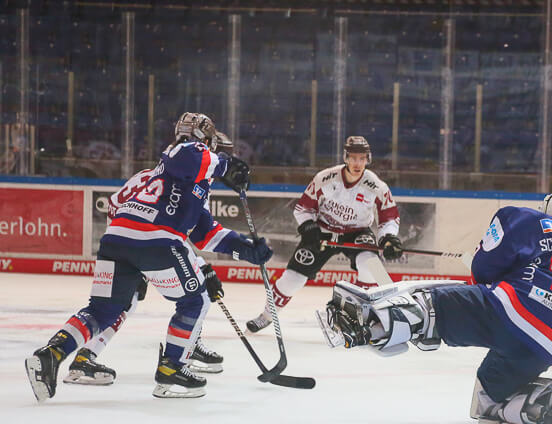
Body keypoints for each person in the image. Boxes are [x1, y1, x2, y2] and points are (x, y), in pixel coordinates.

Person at [24, 112, 273, 401]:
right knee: (195, 299)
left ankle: (50, 354)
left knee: (103, 310)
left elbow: (204, 232)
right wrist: (226, 165)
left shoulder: (177, 179)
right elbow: (187, 154)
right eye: (211, 146)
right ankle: (172, 370)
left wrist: (244, 248)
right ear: (204, 140)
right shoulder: (187, 152)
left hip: (116, 242)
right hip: (156, 240)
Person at [317, 190, 552, 424]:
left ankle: (365, 325)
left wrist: (492, 277)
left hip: (512, 310)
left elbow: (484, 270)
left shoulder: (530, 220)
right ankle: (527, 408)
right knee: (489, 396)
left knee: (434, 306)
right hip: (549, 343)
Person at [64, 121, 235, 385]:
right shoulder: (167, 178)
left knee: (189, 290)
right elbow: (150, 224)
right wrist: (131, 260)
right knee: (138, 302)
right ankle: (86, 355)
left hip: (140, 248)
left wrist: (199, 264)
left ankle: (189, 344)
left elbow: (127, 212)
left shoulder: (163, 178)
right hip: (141, 251)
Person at [246, 135, 402, 333]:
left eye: (362, 158)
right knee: (292, 279)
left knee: (373, 267)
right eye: (353, 158)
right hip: (323, 232)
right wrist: (309, 229)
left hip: (357, 232)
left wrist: (388, 238)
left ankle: (363, 313)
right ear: (345, 157)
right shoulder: (325, 178)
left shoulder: (376, 186)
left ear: (368, 159)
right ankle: (266, 316)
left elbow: (389, 218)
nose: (357, 163)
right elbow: (302, 209)